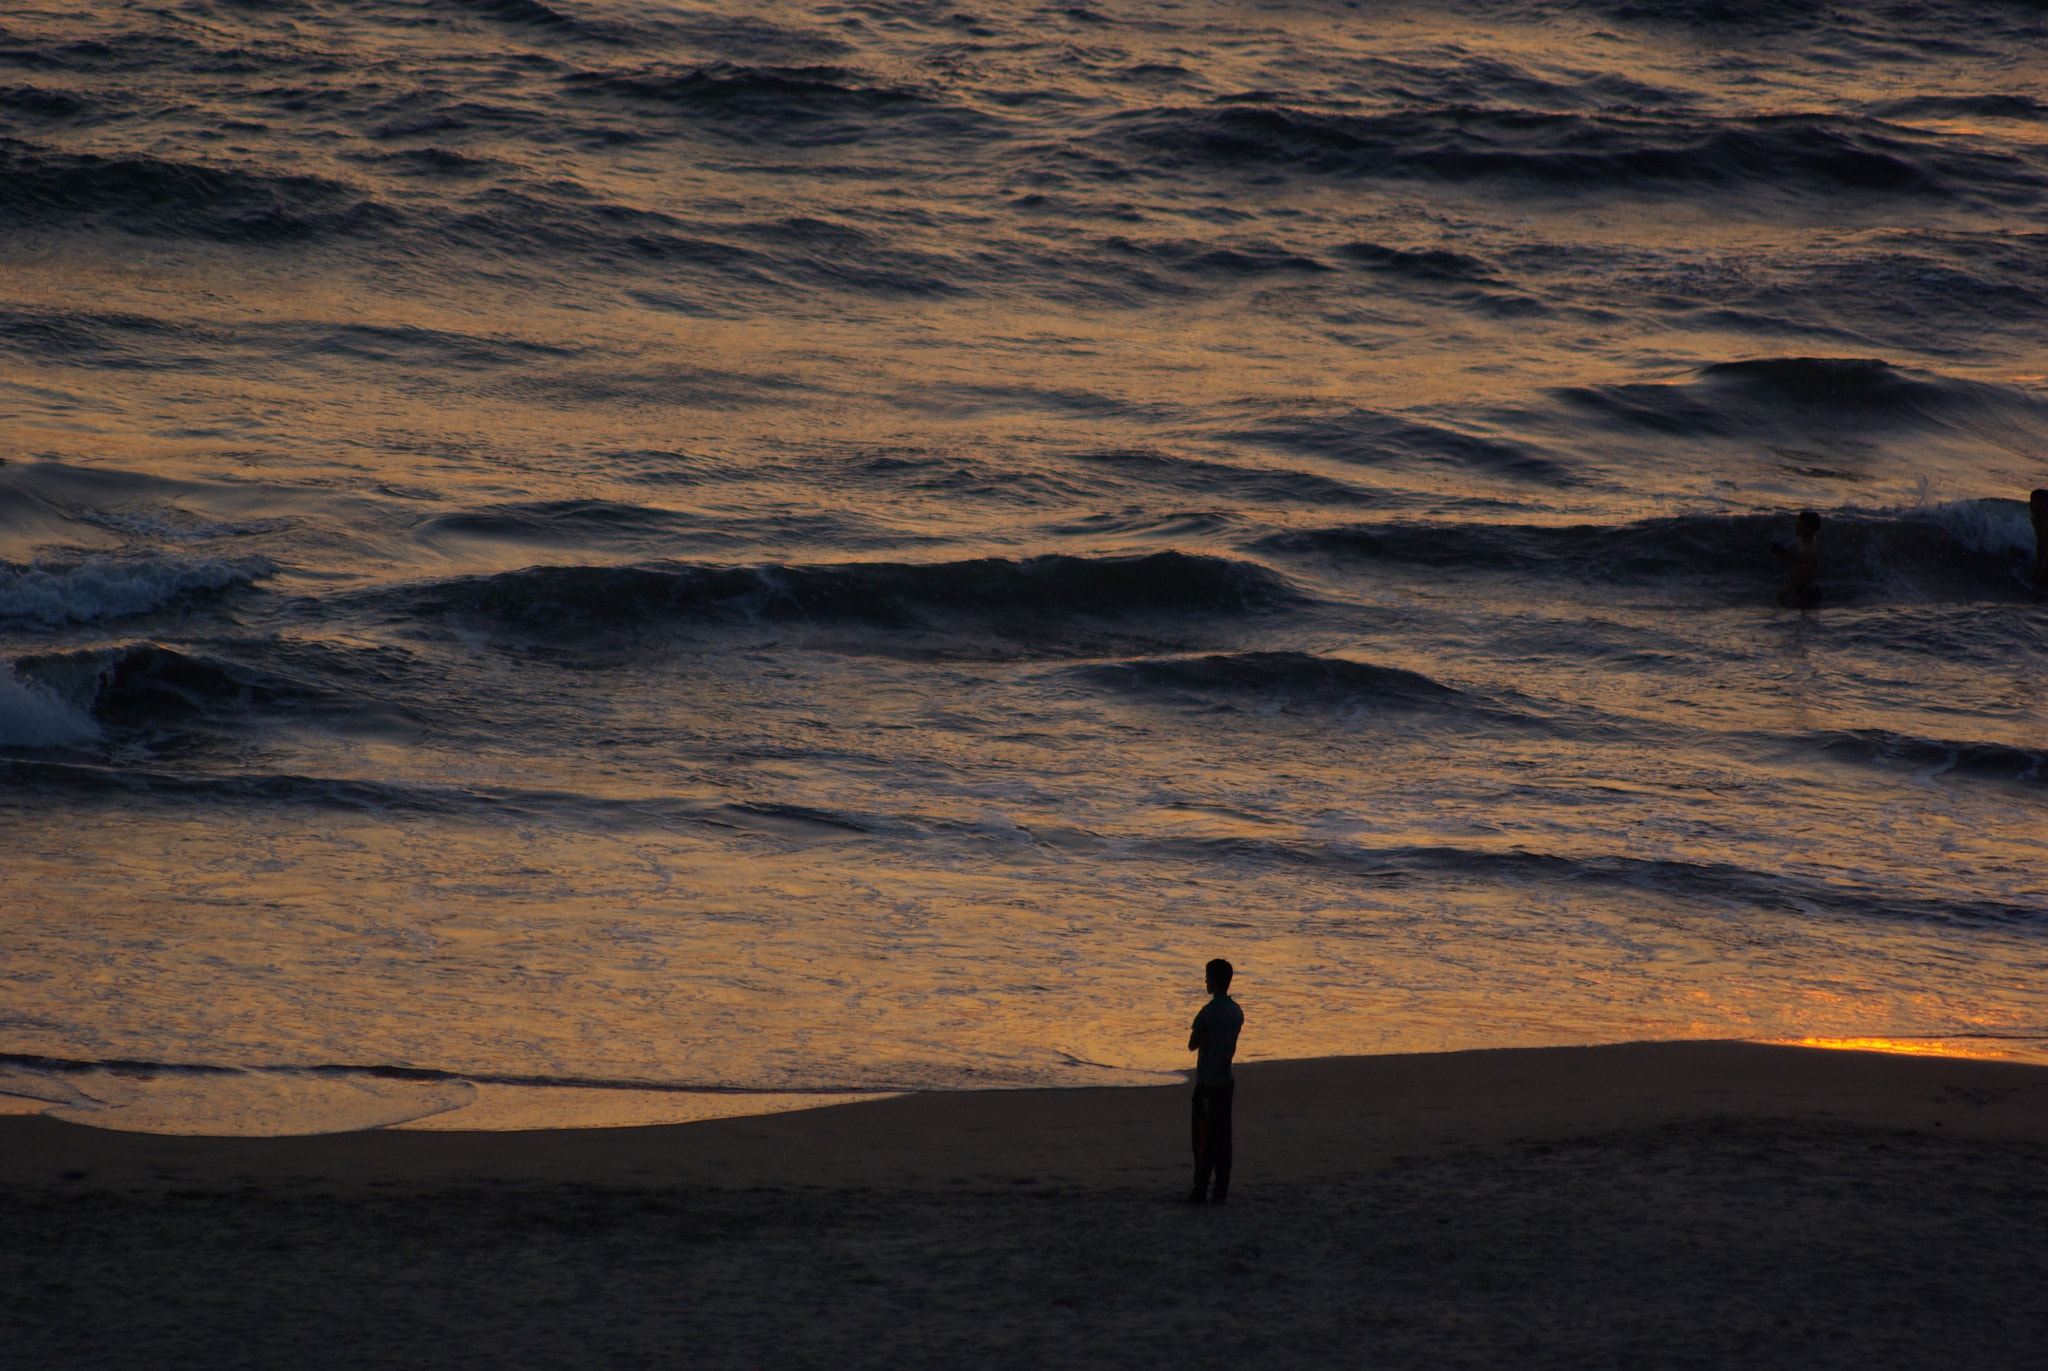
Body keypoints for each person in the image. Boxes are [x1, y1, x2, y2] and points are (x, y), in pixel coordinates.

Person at [1185, 957, 1243, 1205]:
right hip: (1226, 1082)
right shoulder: (1236, 1012)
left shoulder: (1206, 1014)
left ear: (1215, 981)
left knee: (1203, 1135)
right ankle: (1221, 1188)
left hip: (1208, 1084)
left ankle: (1200, 1189)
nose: (1205, 981)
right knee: (1223, 1135)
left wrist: (1204, 1040)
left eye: (1207, 977)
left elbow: (1192, 1044)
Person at [1772, 509, 1822, 608]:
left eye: (1799, 524)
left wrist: (1786, 592)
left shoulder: (1809, 549)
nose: (1796, 526)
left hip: (1806, 593)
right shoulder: (1804, 541)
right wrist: (1786, 554)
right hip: (1804, 590)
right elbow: (1801, 561)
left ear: (1807, 529)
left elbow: (1804, 576)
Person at [2031, 488, 2047, 593]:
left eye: (2033, 502)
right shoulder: (2035, 519)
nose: (2030, 504)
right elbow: (2040, 544)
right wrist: (2037, 567)